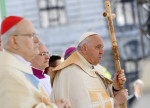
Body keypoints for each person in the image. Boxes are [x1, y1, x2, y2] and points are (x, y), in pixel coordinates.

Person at [0, 16, 70, 108]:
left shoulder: (18, 68)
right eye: (31, 35)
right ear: (14, 41)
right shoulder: (8, 73)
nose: (37, 40)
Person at [50, 32, 128, 108]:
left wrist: (115, 88)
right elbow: (83, 105)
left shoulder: (93, 68)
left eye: (102, 48)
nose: (102, 52)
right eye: (98, 47)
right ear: (84, 48)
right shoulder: (71, 72)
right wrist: (115, 102)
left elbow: (101, 96)